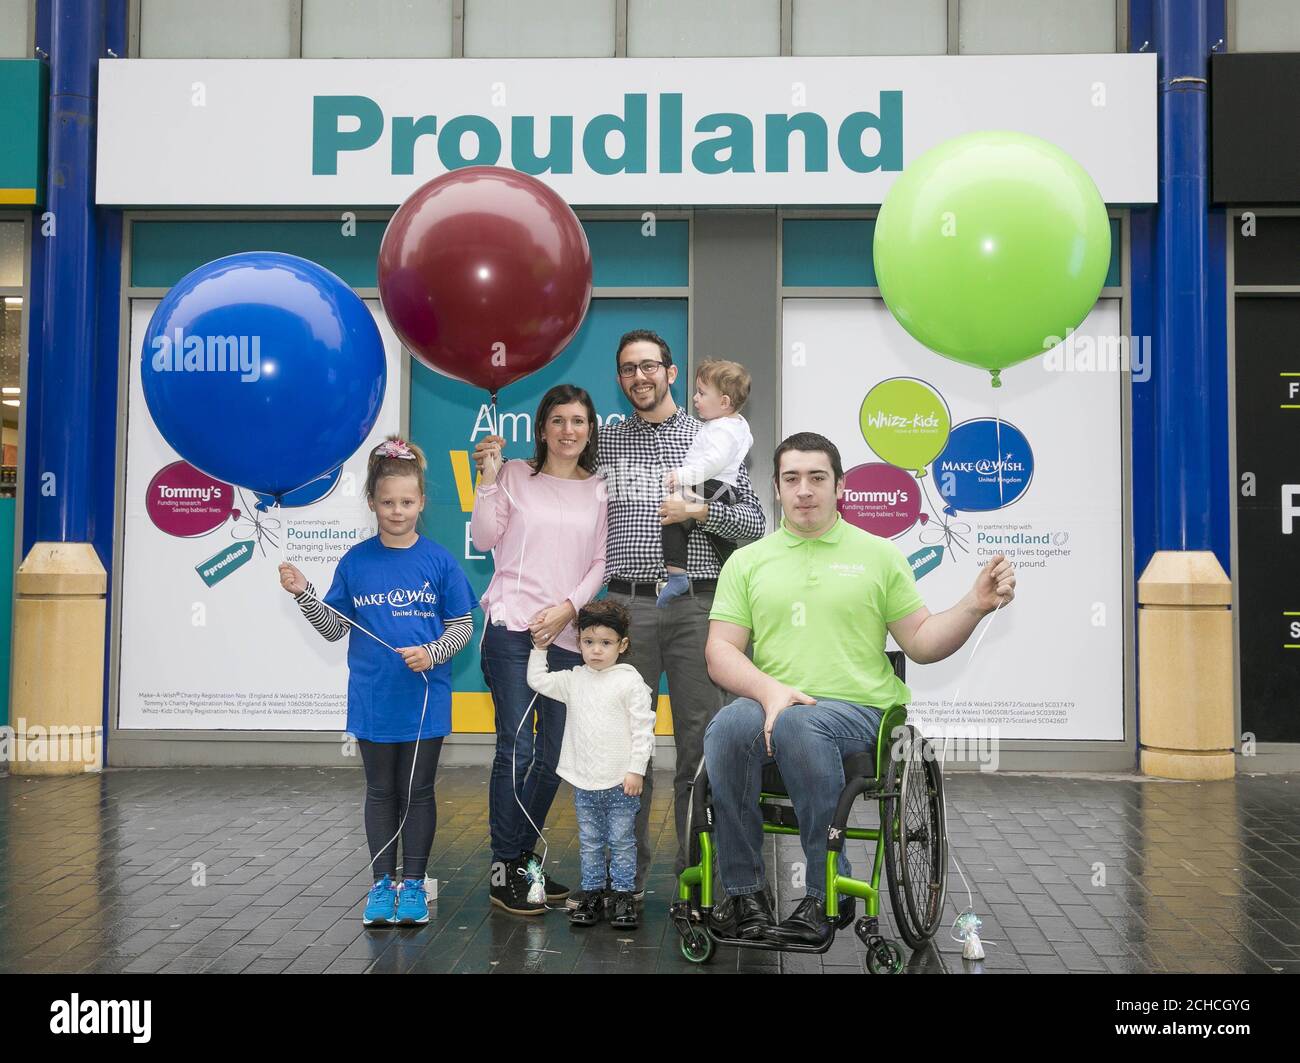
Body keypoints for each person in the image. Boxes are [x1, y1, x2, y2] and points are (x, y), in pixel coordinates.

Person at [476, 329, 766, 897]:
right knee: (619, 749)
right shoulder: (606, 444)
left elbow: (754, 525)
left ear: (672, 373)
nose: (640, 377)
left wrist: (701, 510)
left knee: (699, 747)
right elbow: (550, 471)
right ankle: (620, 882)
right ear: (620, 380)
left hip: (696, 606)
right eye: (629, 369)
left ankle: (700, 878)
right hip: (624, 613)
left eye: (650, 366)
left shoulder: (711, 437)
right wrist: (494, 466)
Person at [703, 432, 1017, 944]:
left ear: (840, 487)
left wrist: (974, 604)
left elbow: (921, 641)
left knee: (800, 726)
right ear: (776, 488)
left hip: (860, 716)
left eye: (817, 478)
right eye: (791, 479)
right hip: (773, 706)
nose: (804, 490)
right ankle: (745, 893)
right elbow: (720, 652)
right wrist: (770, 691)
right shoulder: (747, 562)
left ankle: (830, 891)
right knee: (725, 727)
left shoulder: (878, 556)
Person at [278, 436, 477, 927]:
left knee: (419, 792)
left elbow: (463, 626)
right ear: (371, 503)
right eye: (387, 502)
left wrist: (432, 652)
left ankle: (413, 886)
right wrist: (305, 594)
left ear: (422, 503)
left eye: (407, 502)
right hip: (372, 701)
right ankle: (380, 885)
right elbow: (332, 628)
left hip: (425, 701)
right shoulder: (356, 562)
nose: (397, 511)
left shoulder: (440, 561)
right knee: (380, 792)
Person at [470, 384, 608, 915]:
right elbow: (484, 539)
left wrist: (568, 610)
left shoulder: (599, 488)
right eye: (558, 420)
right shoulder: (512, 476)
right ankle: (505, 864)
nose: (568, 430)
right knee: (517, 750)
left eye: (578, 420)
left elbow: (599, 561)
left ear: (589, 428)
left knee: (553, 758)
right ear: (542, 428)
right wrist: (486, 480)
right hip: (511, 631)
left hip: (568, 638)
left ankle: (523, 857)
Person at [525, 600, 656, 929]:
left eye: (606, 643)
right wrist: (539, 648)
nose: (596, 650)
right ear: (579, 641)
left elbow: (644, 729)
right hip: (584, 781)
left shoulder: (630, 682)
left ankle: (623, 894)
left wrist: (636, 769)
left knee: (624, 841)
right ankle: (594, 892)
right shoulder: (573, 679)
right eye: (588, 642)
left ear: (622, 645)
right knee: (590, 841)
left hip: (621, 782)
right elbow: (537, 681)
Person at [658, 359, 754, 607]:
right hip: (722, 489)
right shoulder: (735, 425)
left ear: (724, 402)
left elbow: (713, 462)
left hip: (714, 485)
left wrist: (682, 476)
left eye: (702, 393)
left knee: (672, 515)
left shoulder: (722, 430)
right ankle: (728, 567)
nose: (695, 398)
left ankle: (677, 574)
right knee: (705, 532)